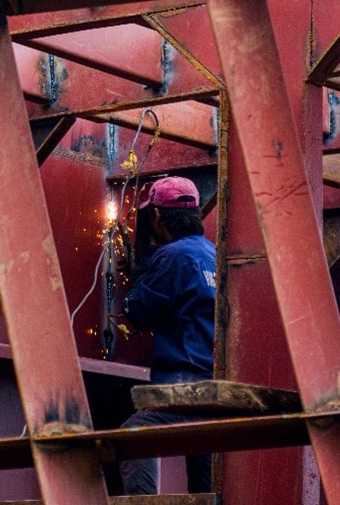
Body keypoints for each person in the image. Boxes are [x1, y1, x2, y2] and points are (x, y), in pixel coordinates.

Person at [119, 175, 216, 495]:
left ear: (157, 215)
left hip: (181, 384)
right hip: (213, 389)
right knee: (205, 480)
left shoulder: (172, 256)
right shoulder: (214, 254)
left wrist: (142, 270)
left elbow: (137, 311)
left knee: (135, 437)